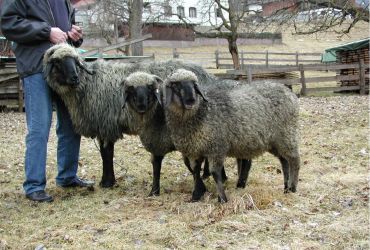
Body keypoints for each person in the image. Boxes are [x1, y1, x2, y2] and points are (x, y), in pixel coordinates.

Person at [1, 0, 94, 202]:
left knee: (71, 124)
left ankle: (67, 177)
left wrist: (74, 36)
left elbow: (67, 31)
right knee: (39, 127)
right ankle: (34, 185)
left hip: (64, 70)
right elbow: (8, 23)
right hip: (36, 67)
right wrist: (46, 32)